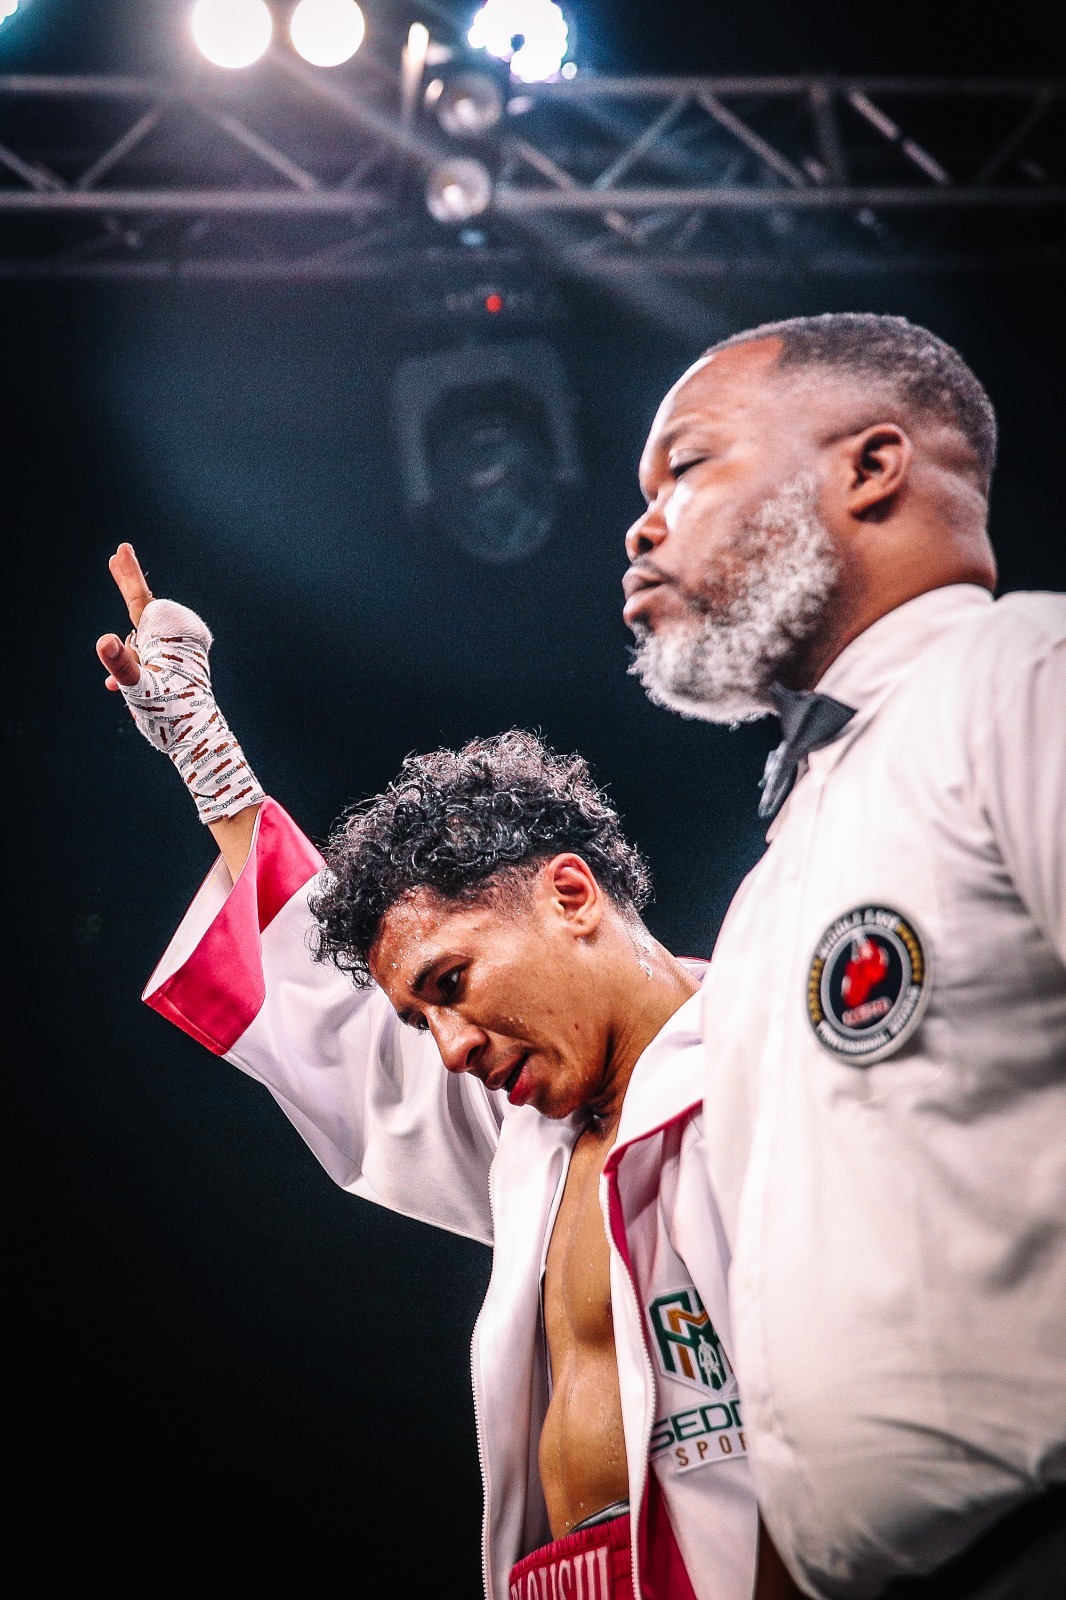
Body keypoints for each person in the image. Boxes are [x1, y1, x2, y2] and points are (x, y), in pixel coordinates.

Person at [95, 547, 799, 1600]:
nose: (452, 1047)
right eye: (421, 1019)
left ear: (571, 895)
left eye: (452, 983)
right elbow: (331, 1004)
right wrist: (205, 751)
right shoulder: (529, 1135)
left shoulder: (781, 1053)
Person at [623, 312, 1066, 1598]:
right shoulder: (770, 888)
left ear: (870, 468)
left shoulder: (1020, 674)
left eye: (685, 467)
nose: (643, 528)